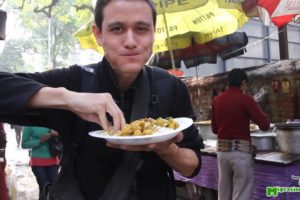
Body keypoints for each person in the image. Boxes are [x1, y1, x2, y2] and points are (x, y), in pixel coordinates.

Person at [0, 0, 203, 200]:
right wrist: (68, 98)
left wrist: (167, 149)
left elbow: (192, 166)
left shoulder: (171, 86)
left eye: (141, 28)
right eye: (117, 29)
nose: (131, 41)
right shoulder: (75, 80)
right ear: (98, 34)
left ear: (153, 32)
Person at [211, 68, 270, 200]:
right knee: (241, 192)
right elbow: (265, 125)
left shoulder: (217, 101)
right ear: (243, 83)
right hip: (240, 153)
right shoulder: (246, 100)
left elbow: (215, 129)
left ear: (228, 83)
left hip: (222, 153)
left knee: (224, 191)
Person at [21, 126, 60, 200]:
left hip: (53, 160)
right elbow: (24, 144)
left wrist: (57, 134)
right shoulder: (29, 125)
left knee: (54, 188)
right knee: (44, 188)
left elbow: (64, 138)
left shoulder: (52, 121)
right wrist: (40, 140)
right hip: (38, 162)